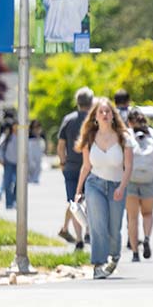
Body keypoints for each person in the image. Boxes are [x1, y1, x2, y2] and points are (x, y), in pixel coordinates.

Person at [74, 97, 133, 279]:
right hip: (95, 185)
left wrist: (122, 187)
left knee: (114, 227)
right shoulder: (89, 138)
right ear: (95, 117)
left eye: (108, 111)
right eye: (101, 112)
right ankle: (98, 264)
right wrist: (78, 191)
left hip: (116, 185)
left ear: (113, 115)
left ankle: (114, 257)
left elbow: (129, 166)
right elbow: (86, 166)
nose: (105, 114)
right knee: (97, 225)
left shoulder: (124, 138)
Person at [125, 108, 153, 262]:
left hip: (131, 179)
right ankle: (147, 238)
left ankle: (135, 253)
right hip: (149, 178)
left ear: (129, 121)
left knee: (132, 217)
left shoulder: (126, 134)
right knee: (147, 213)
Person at [57, 87, 93, 248]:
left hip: (71, 166)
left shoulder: (68, 120)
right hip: (91, 167)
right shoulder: (93, 121)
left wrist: (63, 162)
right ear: (91, 102)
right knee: (92, 201)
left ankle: (78, 239)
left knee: (74, 202)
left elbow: (60, 145)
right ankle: (89, 232)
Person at [0, 112, 18, 208]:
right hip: (8, 162)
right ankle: (9, 203)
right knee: (8, 183)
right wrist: (1, 159)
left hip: (18, 164)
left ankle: (15, 200)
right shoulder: (7, 137)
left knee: (18, 183)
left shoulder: (22, 137)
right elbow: (0, 148)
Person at [28, 120, 46, 184]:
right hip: (31, 145)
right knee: (30, 162)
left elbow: (43, 139)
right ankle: (30, 177)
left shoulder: (41, 131)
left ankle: (36, 178)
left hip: (38, 146)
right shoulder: (29, 131)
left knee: (38, 163)